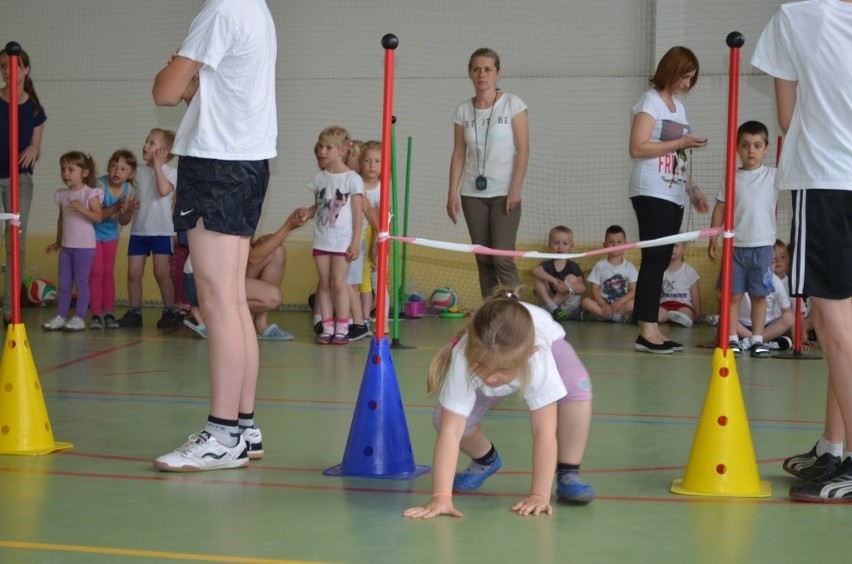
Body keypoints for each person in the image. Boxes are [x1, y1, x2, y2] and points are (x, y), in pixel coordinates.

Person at [151, 0, 278, 471]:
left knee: (218, 300)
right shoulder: (256, 10)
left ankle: (221, 433)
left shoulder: (222, 10)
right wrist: (191, 78)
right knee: (231, 299)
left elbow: (165, 91)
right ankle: (243, 429)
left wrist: (175, 69)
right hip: (244, 164)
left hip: (216, 166)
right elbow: (208, 93)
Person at [753, 0, 852, 502]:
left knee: (834, 329)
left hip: (828, 180)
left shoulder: (797, 15)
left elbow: (786, 117)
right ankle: (832, 446)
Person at [403, 292, 594, 520]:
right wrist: (441, 496)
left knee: (577, 386)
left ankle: (568, 473)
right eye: (482, 365)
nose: (491, 378)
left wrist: (539, 495)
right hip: (499, 351)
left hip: (544, 342)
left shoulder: (538, 355)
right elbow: (450, 432)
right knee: (443, 419)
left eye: (502, 370)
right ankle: (486, 459)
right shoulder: (464, 356)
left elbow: (544, 431)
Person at [629, 46, 708, 354]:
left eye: (691, 79)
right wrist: (679, 141)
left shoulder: (679, 108)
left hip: (673, 191)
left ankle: (653, 328)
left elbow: (679, 155)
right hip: (651, 191)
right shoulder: (649, 102)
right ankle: (646, 330)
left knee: (661, 261)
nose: (686, 84)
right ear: (671, 70)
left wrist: (692, 188)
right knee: (654, 259)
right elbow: (637, 148)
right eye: (685, 76)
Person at [447, 47, 529, 299]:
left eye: (487, 69)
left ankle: (516, 313)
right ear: (470, 74)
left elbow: (523, 150)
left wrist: (515, 189)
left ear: (497, 73)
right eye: (476, 69)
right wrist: (452, 193)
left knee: (502, 255)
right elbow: (459, 154)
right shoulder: (463, 110)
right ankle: (491, 314)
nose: (482, 74)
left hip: (504, 192)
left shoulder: (512, 104)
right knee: (483, 259)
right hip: (472, 193)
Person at [707, 120, 778, 358]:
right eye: (746, 145)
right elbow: (720, 209)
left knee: (759, 296)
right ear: (737, 148)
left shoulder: (772, 176)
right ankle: (732, 338)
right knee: (733, 295)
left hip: (763, 246)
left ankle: (758, 339)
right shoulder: (731, 178)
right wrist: (714, 238)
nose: (751, 151)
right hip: (735, 247)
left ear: (766, 148)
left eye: (757, 145)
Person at [183, 208, 307, 341]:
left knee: (277, 251)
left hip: (224, 276)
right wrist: (288, 227)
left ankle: (260, 324)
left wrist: (262, 242)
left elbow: (243, 253)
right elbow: (253, 259)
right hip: (199, 281)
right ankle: (208, 315)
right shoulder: (235, 206)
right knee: (273, 297)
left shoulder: (246, 207)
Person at [302, 126, 364, 345]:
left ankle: (342, 327)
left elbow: (358, 214)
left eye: (328, 147)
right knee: (325, 283)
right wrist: (307, 212)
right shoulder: (320, 178)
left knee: (339, 283)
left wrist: (355, 242)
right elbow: (320, 205)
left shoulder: (352, 179)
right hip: (322, 239)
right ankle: (327, 327)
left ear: (341, 151)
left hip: (342, 242)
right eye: (321, 146)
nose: (322, 151)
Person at [116, 128, 180, 329]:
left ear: (165, 152)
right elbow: (130, 200)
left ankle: (170, 310)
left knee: (161, 273)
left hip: (162, 232)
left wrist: (159, 167)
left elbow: (163, 191)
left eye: (152, 143)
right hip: (139, 232)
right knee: (133, 273)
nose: (145, 145)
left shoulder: (171, 173)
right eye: (146, 141)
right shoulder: (138, 173)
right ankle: (135, 312)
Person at [1, 48, 46, 322]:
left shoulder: (35, 109)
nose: (9, 70)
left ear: (25, 69)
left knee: (15, 242)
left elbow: (36, 148)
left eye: (14, 65)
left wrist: (32, 148)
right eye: (4, 66)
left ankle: (10, 308)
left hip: (19, 180)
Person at [42, 152, 102, 331]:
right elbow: (61, 220)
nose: (65, 173)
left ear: (84, 172)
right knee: (64, 282)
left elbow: (98, 217)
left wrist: (82, 208)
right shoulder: (62, 195)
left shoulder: (89, 194)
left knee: (81, 282)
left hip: (84, 246)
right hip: (67, 246)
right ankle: (61, 315)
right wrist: (58, 241)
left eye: (70, 169)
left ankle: (79, 317)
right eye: (63, 169)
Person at [90, 149, 137, 329]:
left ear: (130, 174)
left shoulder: (129, 189)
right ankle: (95, 315)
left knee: (108, 272)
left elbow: (123, 220)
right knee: (96, 271)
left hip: (111, 236)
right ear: (108, 167)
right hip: (93, 234)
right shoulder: (99, 186)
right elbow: (97, 216)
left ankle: (109, 313)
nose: (117, 171)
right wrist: (116, 206)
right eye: (114, 166)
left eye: (123, 169)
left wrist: (130, 209)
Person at [734, 240, 794, 351]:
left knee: (789, 317)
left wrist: (798, 340)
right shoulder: (741, 278)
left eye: (772, 262)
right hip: (743, 326)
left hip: (766, 327)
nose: (769, 266)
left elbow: (787, 312)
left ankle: (750, 342)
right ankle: (761, 343)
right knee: (724, 318)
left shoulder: (776, 282)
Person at [581, 225, 638, 325]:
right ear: (605, 245)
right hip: (603, 305)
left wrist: (619, 302)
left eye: (619, 242)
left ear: (626, 244)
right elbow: (594, 289)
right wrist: (603, 304)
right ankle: (616, 318)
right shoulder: (600, 265)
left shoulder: (630, 267)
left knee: (635, 304)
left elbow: (633, 290)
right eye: (611, 242)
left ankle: (601, 317)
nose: (615, 245)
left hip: (621, 306)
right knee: (585, 302)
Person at [356, 140, 383, 332]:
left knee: (371, 281)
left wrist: (376, 244)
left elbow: (381, 220)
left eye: (377, 161)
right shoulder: (355, 182)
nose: (372, 165)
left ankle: (367, 318)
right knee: (351, 281)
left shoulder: (382, 189)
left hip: (372, 236)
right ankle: (352, 316)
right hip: (352, 236)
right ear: (360, 163)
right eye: (367, 160)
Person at [531, 225, 585, 321]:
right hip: (549, 302)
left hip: (567, 308)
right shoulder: (547, 264)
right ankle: (553, 309)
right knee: (538, 276)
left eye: (565, 243)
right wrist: (555, 282)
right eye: (556, 243)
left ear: (571, 246)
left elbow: (582, 288)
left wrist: (566, 287)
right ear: (549, 245)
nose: (560, 247)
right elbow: (535, 270)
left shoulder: (573, 266)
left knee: (571, 278)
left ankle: (548, 310)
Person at [658, 242, 701, 328]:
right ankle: (663, 318)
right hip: (664, 305)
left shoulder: (689, 271)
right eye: (669, 245)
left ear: (683, 249)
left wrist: (698, 312)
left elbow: (696, 295)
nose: (672, 248)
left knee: (686, 313)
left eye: (676, 246)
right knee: (657, 315)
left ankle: (681, 318)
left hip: (683, 305)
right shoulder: (660, 271)